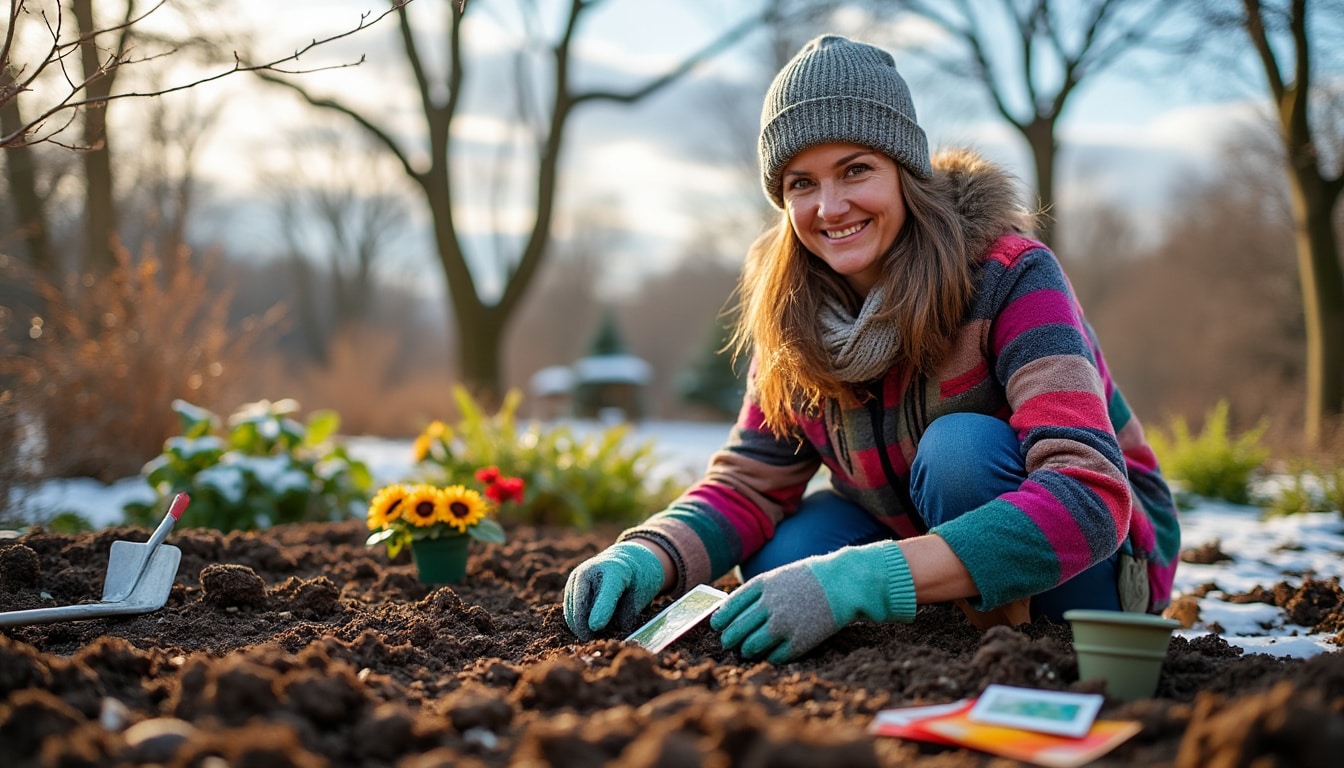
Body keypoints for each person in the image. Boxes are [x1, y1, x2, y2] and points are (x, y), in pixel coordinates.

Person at [563, 34, 1181, 664]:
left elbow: (1088, 496)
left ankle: (1011, 651)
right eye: (802, 183)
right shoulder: (795, 314)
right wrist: (650, 552)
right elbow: (749, 483)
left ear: (905, 173)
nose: (831, 207)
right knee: (782, 556)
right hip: (921, 535)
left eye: (856, 169)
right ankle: (945, 614)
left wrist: (858, 581)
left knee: (960, 451)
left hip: (1098, 565)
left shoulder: (1010, 275)